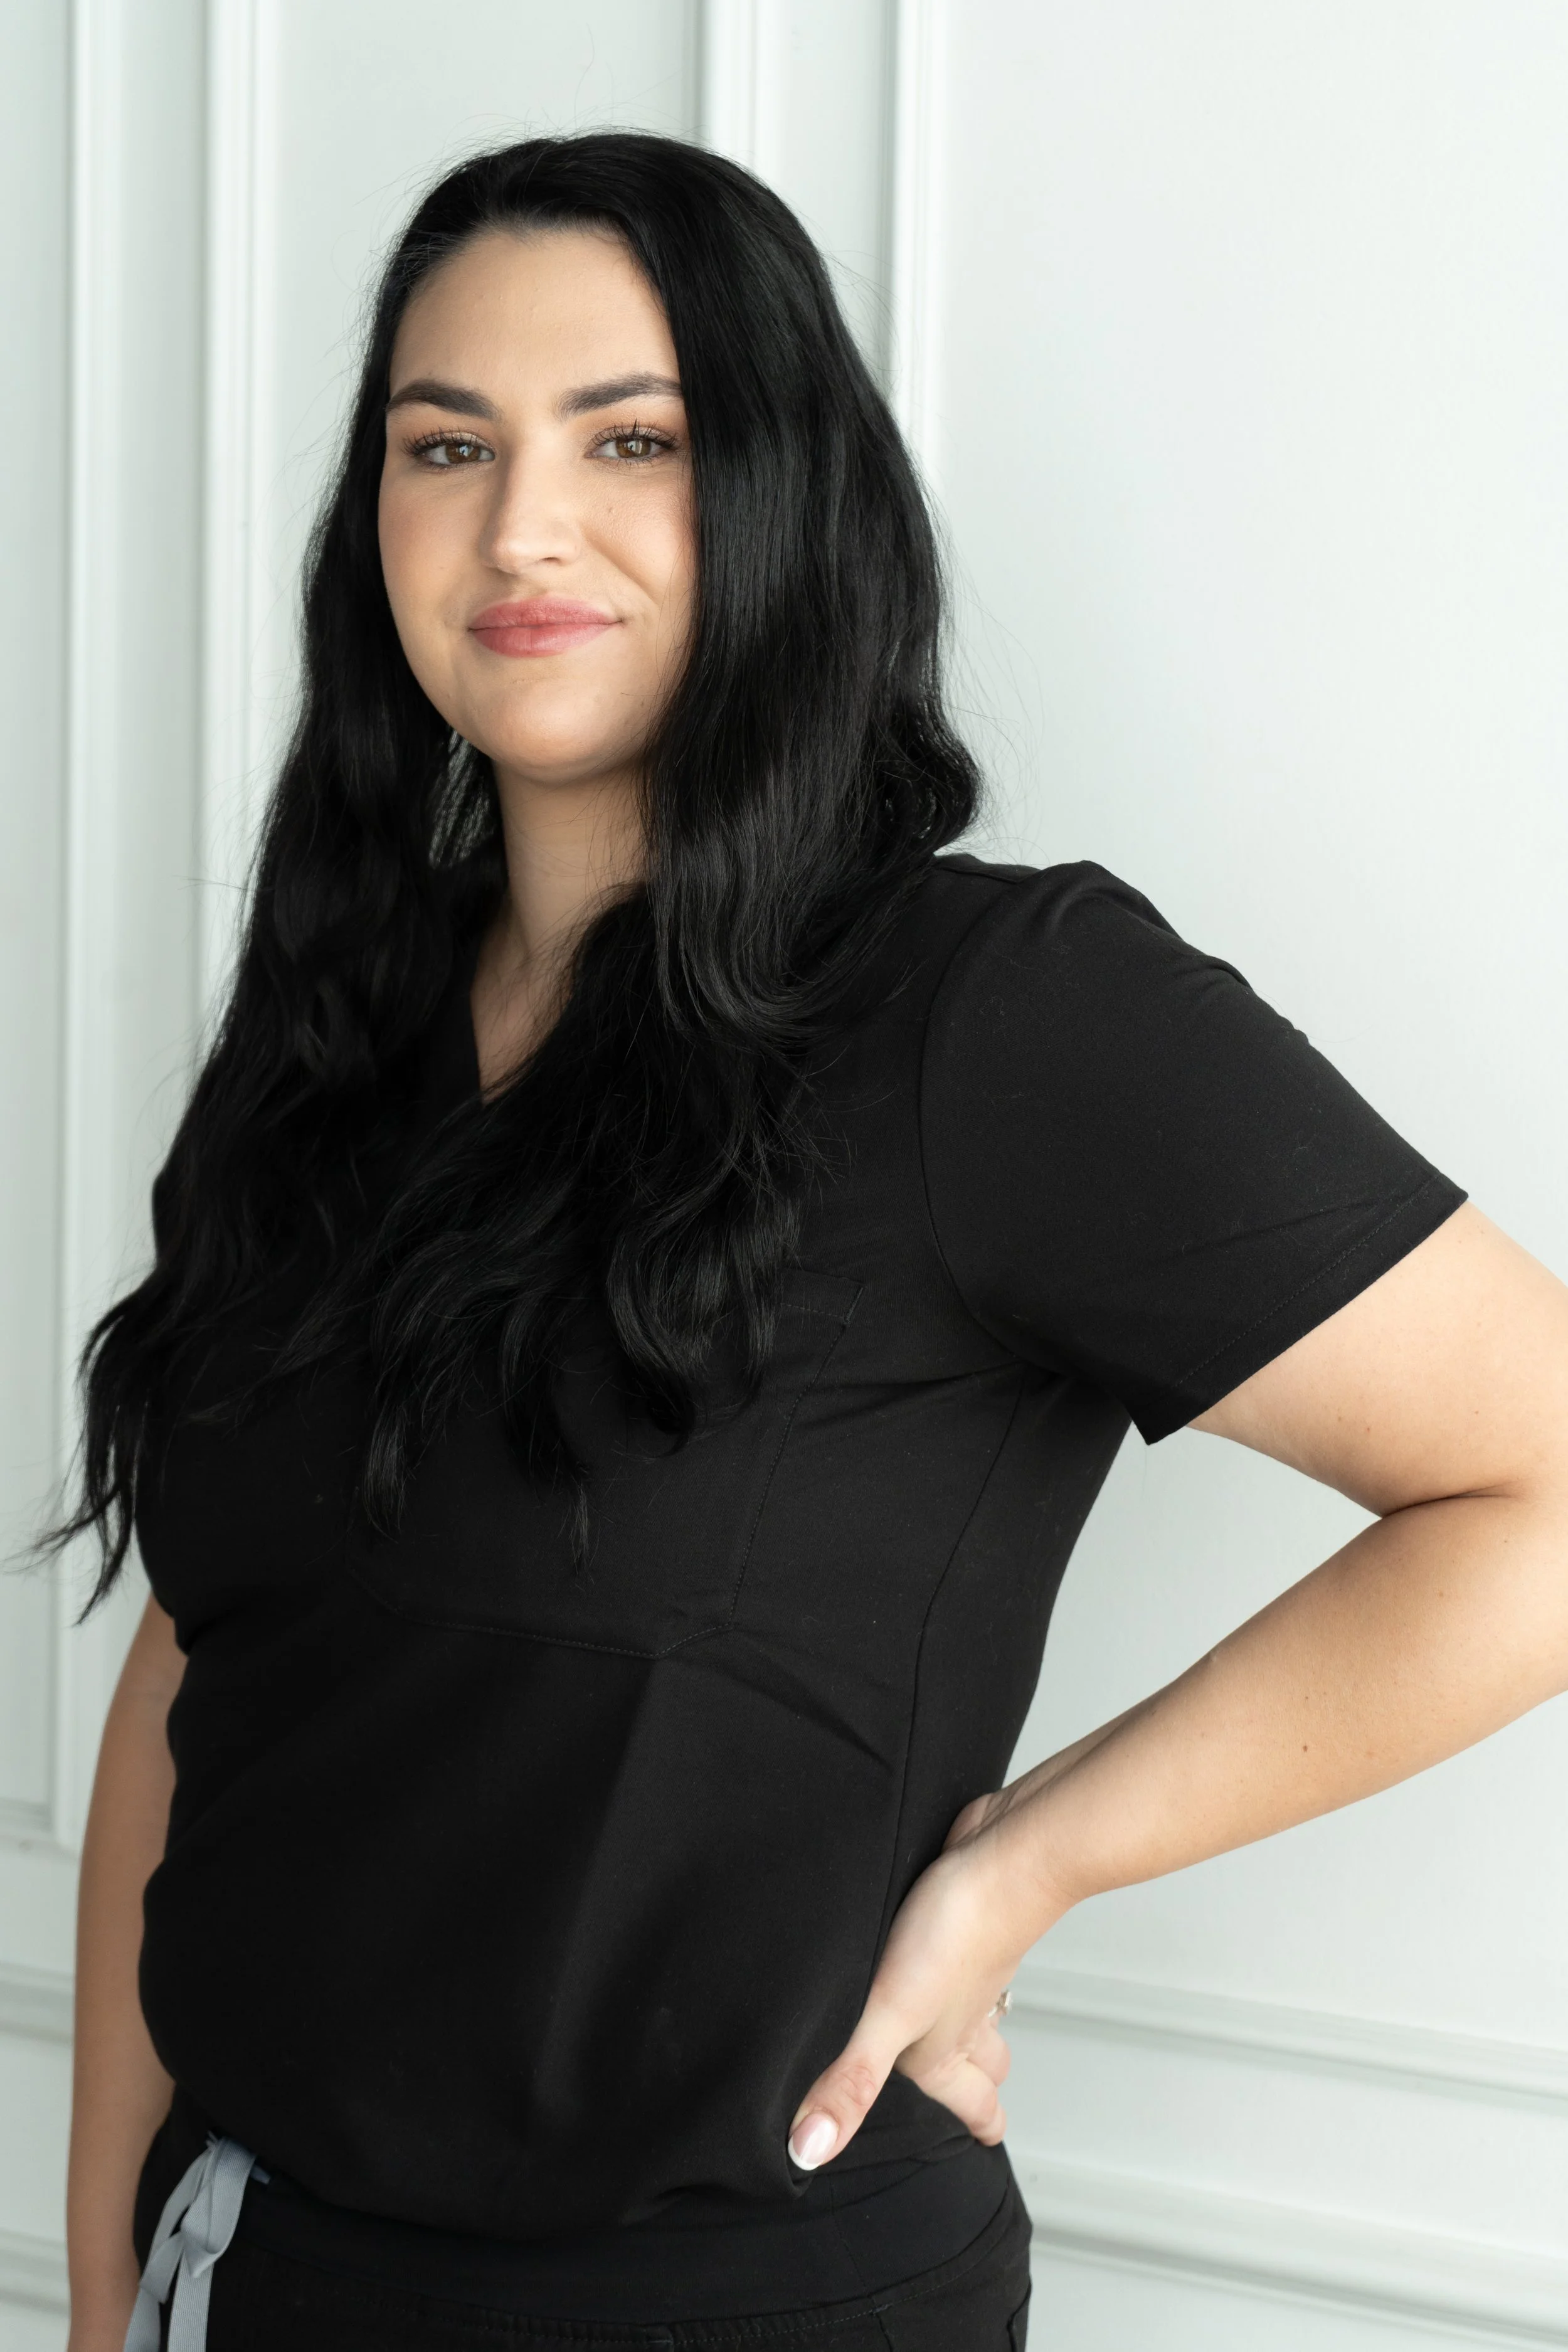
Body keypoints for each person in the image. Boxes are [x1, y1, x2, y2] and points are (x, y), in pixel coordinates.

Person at [56, 131, 1568, 2352]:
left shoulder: (1003, 1018)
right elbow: (205, 1656)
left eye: (631, 439)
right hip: (254, 2266)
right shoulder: (332, 1039)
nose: (516, 529)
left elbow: (1536, 1479)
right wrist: (102, 2273)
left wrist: (1025, 1861)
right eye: (440, 443)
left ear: (783, 496)